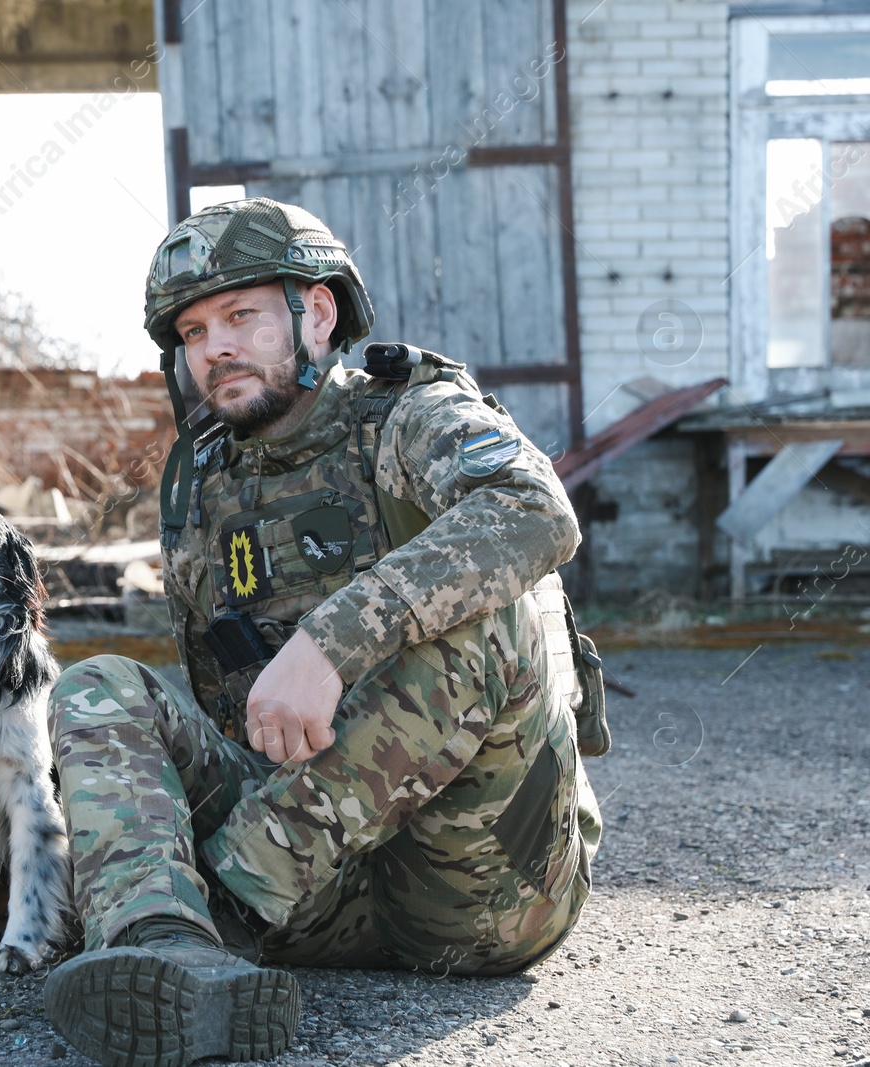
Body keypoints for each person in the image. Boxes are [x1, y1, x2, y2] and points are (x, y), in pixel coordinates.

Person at [41, 198, 606, 1067]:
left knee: (495, 607)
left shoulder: (408, 417)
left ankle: (217, 912)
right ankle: (160, 939)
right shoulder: (206, 482)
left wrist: (331, 641)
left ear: (315, 312)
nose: (214, 348)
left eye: (240, 316)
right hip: (308, 882)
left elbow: (534, 511)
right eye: (192, 332)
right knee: (99, 684)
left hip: (475, 886)